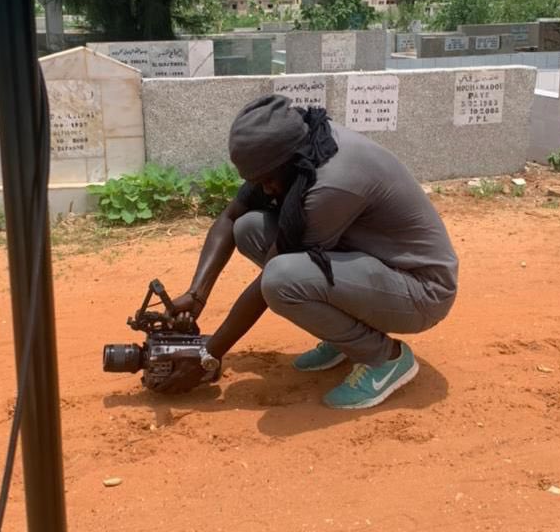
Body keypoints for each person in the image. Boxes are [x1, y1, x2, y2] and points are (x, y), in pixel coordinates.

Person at [157, 93, 458, 409]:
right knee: (248, 228)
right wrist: (197, 293)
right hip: (377, 267)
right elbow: (230, 217)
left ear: (288, 160)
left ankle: (385, 359)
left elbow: (271, 278)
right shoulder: (301, 143)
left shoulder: (331, 184)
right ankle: (346, 337)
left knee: (281, 280)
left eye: (269, 180)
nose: (267, 189)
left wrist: (209, 354)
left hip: (421, 291)